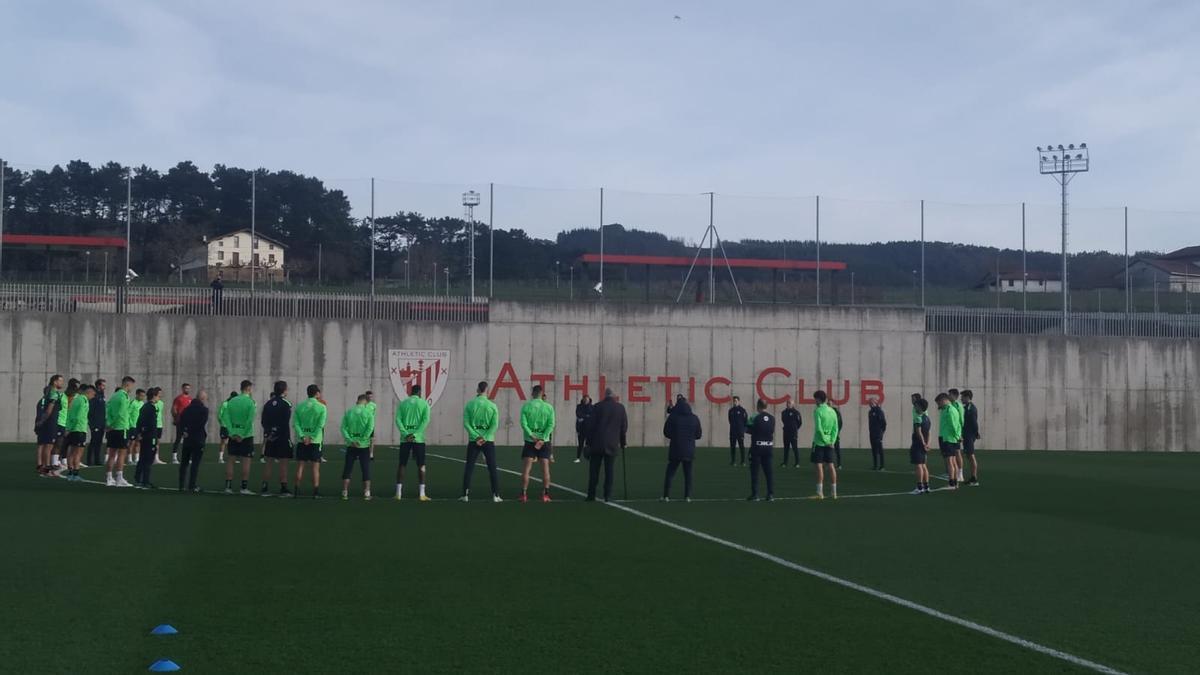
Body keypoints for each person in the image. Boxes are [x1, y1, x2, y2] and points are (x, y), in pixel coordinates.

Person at [461, 381, 502, 503]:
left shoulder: (470, 404)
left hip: (474, 440)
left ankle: (465, 495)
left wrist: (476, 436)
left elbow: (466, 423)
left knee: (469, 467)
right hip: (488, 440)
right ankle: (496, 495)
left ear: (478, 390)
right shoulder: (492, 405)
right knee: (492, 467)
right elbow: (494, 425)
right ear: (487, 390)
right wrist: (485, 436)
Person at [585, 388, 627, 502]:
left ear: (605, 395)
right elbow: (623, 428)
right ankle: (607, 495)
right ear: (613, 396)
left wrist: (588, 443)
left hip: (597, 443)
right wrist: (623, 443)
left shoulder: (597, 407)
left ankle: (591, 495)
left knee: (594, 471)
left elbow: (591, 426)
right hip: (612, 443)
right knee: (609, 471)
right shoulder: (620, 408)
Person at [519, 385, 556, 503]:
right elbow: (551, 425)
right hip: (544, 442)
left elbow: (523, 424)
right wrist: (543, 438)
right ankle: (545, 494)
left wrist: (532, 436)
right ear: (542, 393)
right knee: (545, 469)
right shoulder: (549, 407)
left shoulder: (526, 406)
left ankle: (524, 494)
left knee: (526, 469)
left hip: (530, 442)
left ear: (532, 393)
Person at [394, 384, 432, 501]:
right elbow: (425, 421)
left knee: (402, 464)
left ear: (411, 392)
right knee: (421, 465)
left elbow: (398, 420)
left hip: (405, 439)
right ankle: (422, 494)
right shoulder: (424, 404)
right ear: (419, 392)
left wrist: (406, 434)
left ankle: (398, 493)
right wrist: (415, 434)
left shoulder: (403, 403)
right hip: (418, 439)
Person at [662, 394, 701, 501]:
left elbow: (666, 432)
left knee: (670, 473)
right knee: (688, 474)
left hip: (676, 449)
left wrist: (675, 436)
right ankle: (687, 496)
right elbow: (698, 435)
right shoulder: (694, 418)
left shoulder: (673, 417)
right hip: (689, 450)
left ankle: (666, 495)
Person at [223, 380, 257, 495]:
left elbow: (225, 418)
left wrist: (232, 432)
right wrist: (242, 434)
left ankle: (228, 487)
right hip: (246, 436)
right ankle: (244, 487)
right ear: (248, 388)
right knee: (246, 461)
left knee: (231, 460)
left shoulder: (231, 401)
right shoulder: (250, 402)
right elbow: (250, 420)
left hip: (233, 435)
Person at [293, 385, 328, 498]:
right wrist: (312, 437)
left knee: (300, 466)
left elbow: (296, 424)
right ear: (317, 393)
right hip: (315, 441)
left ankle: (296, 490)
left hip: (302, 441)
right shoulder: (322, 407)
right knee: (315, 467)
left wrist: (303, 437)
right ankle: (315, 492)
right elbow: (320, 425)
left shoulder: (299, 406)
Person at [260, 381, 293, 497]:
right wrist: (277, 432)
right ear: (284, 390)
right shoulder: (286, 404)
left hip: (271, 438)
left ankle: (264, 488)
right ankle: (283, 488)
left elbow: (263, 421)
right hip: (282, 437)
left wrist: (270, 433)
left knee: (268, 462)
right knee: (283, 463)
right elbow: (285, 422)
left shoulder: (268, 404)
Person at [341, 394, 376, 501]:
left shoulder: (349, 412)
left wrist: (351, 440)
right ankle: (367, 492)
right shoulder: (368, 413)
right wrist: (361, 440)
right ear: (365, 401)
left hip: (351, 445)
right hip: (363, 446)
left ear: (357, 401)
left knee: (348, 468)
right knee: (365, 468)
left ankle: (345, 492)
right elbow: (370, 429)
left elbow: (343, 428)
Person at [104, 376, 136, 488]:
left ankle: (109, 478)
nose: (132, 388)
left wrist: (108, 424)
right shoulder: (124, 396)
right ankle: (119, 478)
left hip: (112, 429)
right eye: (132, 385)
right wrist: (113, 424)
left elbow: (108, 410)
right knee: (122, 454)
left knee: (112, 454)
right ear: (128, 384)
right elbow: (121, 414)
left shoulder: (114, 396)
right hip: (121, 428)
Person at [178, 391, 210, 493]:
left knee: (184, 463)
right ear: (203, 399)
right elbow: (201, 424)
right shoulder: (204, 410)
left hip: (187, 439)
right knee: (195, 464)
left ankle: (181, 485)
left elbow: (180, 422)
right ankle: (192, 485)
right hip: (198, 439)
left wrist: (184, 432)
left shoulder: (186, 409)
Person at [746, 399, 777, 502]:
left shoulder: (754, 417)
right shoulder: (772, 418)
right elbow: (771, 430)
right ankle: (770, 494)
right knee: (769, 472)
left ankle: (755, 495)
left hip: (757, 448)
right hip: (768, 447)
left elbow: (748, 429)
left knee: (755, 472)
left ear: (757, 406)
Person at [63, 384, 96, 482]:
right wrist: (71, 428)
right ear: (89, 392)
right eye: (93, 394)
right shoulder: (83, 400)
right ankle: (75, 473)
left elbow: (71, 414)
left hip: (74, 429)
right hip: (79, 429)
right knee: (78, 453)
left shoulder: (76, 399)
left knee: (71, 451)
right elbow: (78, 416)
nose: (93, 397)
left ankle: (70, 472)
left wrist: (68, 428)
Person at [811, 390, 839, 500]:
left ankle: (820, 493)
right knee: (831, 465)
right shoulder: (832, 411)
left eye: (815, 399)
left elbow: (819, 428)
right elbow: (835, 428)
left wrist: (824, 440)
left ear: (818, 399)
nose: (815, 401)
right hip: (830, 443)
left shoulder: (818, 411)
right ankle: (834, 492)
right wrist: (832, 440)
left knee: (819, 466)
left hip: (819, 442)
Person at [34, 374, 64, 476]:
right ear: (55, 382)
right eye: (60, 381)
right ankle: (47, 469)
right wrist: (43, 421)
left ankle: (42, 467)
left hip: (47, 422)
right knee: (49, 446)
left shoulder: (47, 394)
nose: (62, 383)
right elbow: (49, 410)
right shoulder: (54, 393)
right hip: (50, 422)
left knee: (44, 445)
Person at [133, 387, 162, 488]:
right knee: (148, 459)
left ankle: (138, 477)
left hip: (145, 436)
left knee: (143, 457)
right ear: (154, 396)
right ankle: (145, 480)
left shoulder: (144, 407)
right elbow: (152, 424)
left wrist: (139, 432)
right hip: (150, 436)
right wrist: (154, 436)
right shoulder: (151, 408)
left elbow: (139, 422)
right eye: (158, 396)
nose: (159, 398)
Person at [935, 393, 962, 489]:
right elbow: (958, 424)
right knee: (952, 460)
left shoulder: (950, 410)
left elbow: (954, 425)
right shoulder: (946, 409)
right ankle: (954, 482)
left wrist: (957, 436)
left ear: (943, 400)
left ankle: (951, 483)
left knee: (950, 461)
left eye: (939, 403)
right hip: (947, 437)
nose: (938, 405)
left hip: (949, 438)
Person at [52, 378, 79, 472]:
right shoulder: (63, 396)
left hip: (66, 422)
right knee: (59, 443)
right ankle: (55, 462)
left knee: (65, 442)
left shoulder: (70, 396)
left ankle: (61, 460)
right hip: (61, 421)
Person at [910, 398, 932, 494]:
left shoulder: (918, 418)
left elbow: (919, 432)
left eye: (917, 405)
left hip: (918, 444)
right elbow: (929, 433)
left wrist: (923, 443)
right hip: (924, 445)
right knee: (923, 465)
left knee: (918, 465)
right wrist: (927, 443)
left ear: (920, 407)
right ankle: (926, 486)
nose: (915, 406)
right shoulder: (927, 418)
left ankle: (919, 488)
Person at [961, 390, 981, 486]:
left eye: (963, 397)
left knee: (971, 455)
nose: (961, 399)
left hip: (969, 435)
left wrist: (976, 433)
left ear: (968, 397)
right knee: (969, 456)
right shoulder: (966, 407)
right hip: (966, 434)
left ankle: (974, 478)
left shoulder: (971, 408)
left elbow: (974, 423)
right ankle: (973, 477)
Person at [86, 378, 107, 468]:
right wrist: (92, 423)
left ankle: (97, 459)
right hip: (95, 423)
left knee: (99, 442)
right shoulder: (94, 396)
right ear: (98, 386)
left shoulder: (102, 396)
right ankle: (89, 460)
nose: (104, 387)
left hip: (102, 422)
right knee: (94, 441)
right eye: (103, 385)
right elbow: (91, 411)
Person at [169, 383, 193, 464]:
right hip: (181, 422)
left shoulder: (190, 399)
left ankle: (187, 457)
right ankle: (174, 457)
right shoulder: (178, 399)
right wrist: (176, 418)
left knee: (189, 439)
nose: (187, 390)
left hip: (189, 422)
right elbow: (174, 409)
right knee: (178, 438)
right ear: (182, 389)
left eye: (188, 388)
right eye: (186, 388)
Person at [948, 388, 965, 483]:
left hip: (956, 433)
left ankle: (960, 473)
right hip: (950, 434)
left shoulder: (958, 405)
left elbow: (961, 420)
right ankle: (953, 472)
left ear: (954, 395)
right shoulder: (949, 405)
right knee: (951, 454)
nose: (948, 396)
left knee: (957, 452)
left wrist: (960, 434)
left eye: (950, 394)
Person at [127, 388, 146, 466]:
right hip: (133, 426)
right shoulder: (133, 403)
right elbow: (128, 414)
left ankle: (137, 459)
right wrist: (131, 424)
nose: (142, 397)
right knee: (131, 443)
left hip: (140, 426)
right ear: (137, 395)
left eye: (143, 396)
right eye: (141, 395)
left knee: (138, 442)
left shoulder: (142, 403)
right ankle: (129, 459)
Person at [781, 400, 802, 468]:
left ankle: (797, 463)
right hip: (786, 432)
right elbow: (783, 420)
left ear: (793, 404)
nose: (788, 404)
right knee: (786, 448)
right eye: (787, 403)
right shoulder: (783, 412)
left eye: (789, 403)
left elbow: (799, 423)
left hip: (793, 433)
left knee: (795, 448)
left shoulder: (796, 412)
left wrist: (794, 428)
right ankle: (785, 463)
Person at [868, 398, 887, 470]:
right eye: (870, 403)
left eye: (872, 403)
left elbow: (883, 423)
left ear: (876, 403)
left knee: (880, 450)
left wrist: (881, 433)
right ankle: (875, 465)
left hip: (878, 434)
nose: (870, 404)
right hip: (871, 434)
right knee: (874, 450)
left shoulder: (879, 411)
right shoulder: (870, 412)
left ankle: (882, 466)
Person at [217, 391, 236, 463]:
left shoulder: (235, 405)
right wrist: (222, 423)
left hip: (232, 427)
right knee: (223, 441)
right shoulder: (225, 403)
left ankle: (232, 458)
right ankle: (220, 458)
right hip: (225, 426)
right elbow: (219, 414)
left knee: (232, 442)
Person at [727, 396, 747, 466]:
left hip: (740, 432)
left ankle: (743, 461)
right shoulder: (731, 411)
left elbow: (745, 421)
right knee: (733, 447)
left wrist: (742, 430)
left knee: (741, 446)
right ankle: (733, 461)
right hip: (732, 432)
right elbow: (729, 420)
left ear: (739, 401)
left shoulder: (742, 410)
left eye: (736, 401)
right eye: (734, 401)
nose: (734, 402)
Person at [573, 395, 593, 463]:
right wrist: (586, 416)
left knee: (589, 444)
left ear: (589, 400)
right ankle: (578, 458)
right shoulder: (579, 406)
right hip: (581, 429)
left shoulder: (592, 407)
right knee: (580, 444)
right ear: (583, 400)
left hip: (589, 429)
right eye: (584, 400)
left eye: (587, 400)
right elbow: (578, 414)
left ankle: (589, 457)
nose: (585, 401)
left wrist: (584, 417)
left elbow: (592, 416)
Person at [364, 390, 378, 460]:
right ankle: (359, 453)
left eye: (371, 397)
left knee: (371, 440)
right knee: (362, 439)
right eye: (368, 396)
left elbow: (373, 415)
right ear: (365, 396)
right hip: (362, 425)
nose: (370, 398)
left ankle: (371, 454)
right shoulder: (363, 404)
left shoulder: (374, 405)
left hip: (370, 425)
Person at [832, 403, 844, 469]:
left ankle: (839, 464)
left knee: (837, 449)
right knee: (826, 449)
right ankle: (826, 464)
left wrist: (837, 431)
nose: (828, 404)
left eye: (829, 403)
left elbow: (840, 422)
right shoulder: (825, 411)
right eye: (827, 403)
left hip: (835, 434)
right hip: (827, 434)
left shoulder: (836, 412)